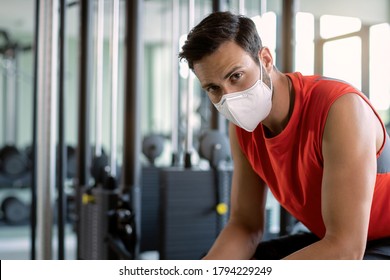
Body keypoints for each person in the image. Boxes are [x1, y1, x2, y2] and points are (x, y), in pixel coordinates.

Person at [179, 11, 390, 260]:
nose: (229, 97)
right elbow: (245, 226)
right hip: (330, 238)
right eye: (214, 88)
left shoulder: (341, 108)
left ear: (265, 59)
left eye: (236, 76)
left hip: (369, 241)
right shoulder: (242, 128)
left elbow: (346, 249)